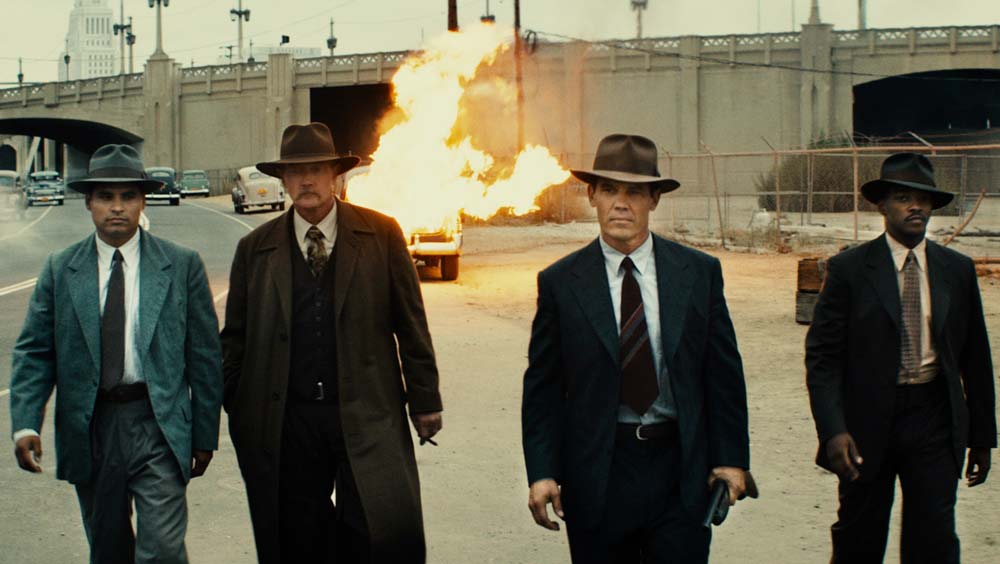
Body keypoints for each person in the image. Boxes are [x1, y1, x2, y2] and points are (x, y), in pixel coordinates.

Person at [521, 133, 752, 563]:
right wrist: (543, 471)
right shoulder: (560, 283)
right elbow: (543, 389)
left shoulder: (697, 273)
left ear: (654, 200)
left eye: (635, 192)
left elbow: (722, 374)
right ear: (592, 196)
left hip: (680, 471)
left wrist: (731, 458)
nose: (621, 204)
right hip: (599, 472)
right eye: (609, 190)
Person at [221, 122, 443, 563]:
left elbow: (410, 323)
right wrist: (242, 406)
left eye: (318, 169)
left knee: (378, 531)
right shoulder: (255, 248)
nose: (307, 180)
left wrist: (425, 400)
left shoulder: (381, 234)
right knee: (298, 537)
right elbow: (235, 340)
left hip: (367, 410)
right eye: (296, 171)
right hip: (290, 420)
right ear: (283, 180)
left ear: (336, 176)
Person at [10, 144, 223, 564]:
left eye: (128, 196)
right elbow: (35, 352)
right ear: (88, 203)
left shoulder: (181, 265)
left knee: (162, 550)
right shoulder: (61, 268)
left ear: (143, 202)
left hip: (158, 423)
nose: (117, 207)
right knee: (108, 549)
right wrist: (25, 424)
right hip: (92, 426)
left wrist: (204, 435)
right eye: (105, 197)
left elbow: (205, 357)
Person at [806, 152, 996, 563]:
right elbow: (822, 359)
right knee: (859, 536)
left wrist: (982, 438)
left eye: (923, 199)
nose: (915, 207)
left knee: (934, 538)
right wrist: (833, 430)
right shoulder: (850, 270)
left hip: (933, 416)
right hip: (867, 420)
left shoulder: (956, 270)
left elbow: (976, 358)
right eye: (903, 198)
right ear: (882, 205)